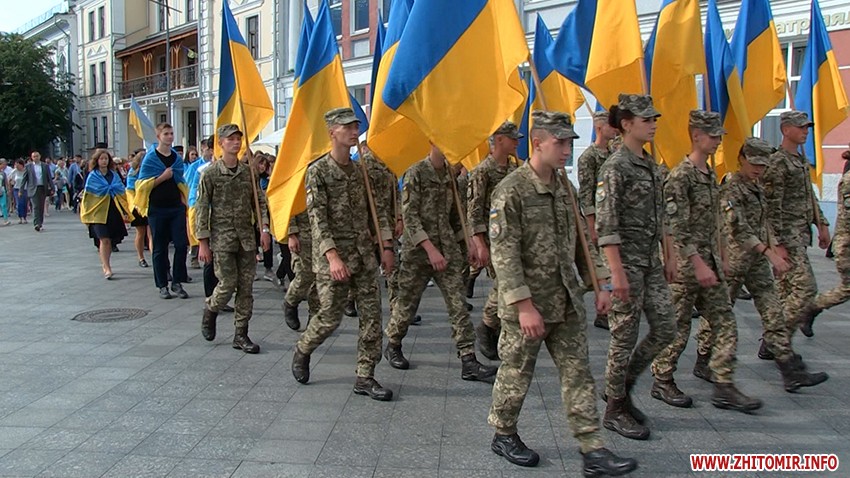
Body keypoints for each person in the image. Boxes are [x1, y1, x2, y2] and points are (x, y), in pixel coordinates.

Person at [488, 110, 637, 476]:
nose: (568, 150)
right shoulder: (511, 190)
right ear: (538, 143)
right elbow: (504, 254)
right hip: (528, 304)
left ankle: (592, 448)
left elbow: (581, 242)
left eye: (570, 143)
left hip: (566, 299)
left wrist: (599, 283)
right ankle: (503, 432)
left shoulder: (564, 187)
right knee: (516, 373)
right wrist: (524, 306)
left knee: (578, 374)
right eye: (561, 143)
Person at [649, 110, 761, 413]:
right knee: (678, 327)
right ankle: (662, 379)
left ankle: (724, 383)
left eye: (719, 136)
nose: (717, 141)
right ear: (696, 136)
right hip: (687, 267)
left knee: (725, 322)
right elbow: (676, 226)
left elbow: (716, 221)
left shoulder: (709, 174)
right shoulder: (680, 176)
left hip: (710, 264)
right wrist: (697, 263)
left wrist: (722, 255)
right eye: (712, 136)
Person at [290, 107, 395, 401]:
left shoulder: (363, 171)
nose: (353, 131)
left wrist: (387, 247)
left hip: (364, 255)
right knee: (329, 317)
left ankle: (365, 376)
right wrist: (332, 256)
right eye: (347, 127)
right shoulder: (318, 172)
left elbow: (378, 213)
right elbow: (317, 219)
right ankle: (303, 348)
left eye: (355, 126)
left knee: (372, 317)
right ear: (331, 132)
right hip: (333, 259)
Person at [594, 94, 676, 440]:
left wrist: (669, 255)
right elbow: (606, 225)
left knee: (667, 328)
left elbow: (662, 216)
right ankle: (615, 408)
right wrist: (616, 273)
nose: (653, 125)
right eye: (646, 120)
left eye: (654, 119)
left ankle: (622, 384)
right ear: (626, 124)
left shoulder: (650, 165)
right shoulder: (615, 167)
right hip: (625, 264)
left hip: (650, 262)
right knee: (623, 337)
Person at [720, 137, 829, 392]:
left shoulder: (757, 187)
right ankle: (704, 361)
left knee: (773, 314)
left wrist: (772, 246)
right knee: (720, 317)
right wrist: (771, 253)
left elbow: (765, 221)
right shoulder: (731, 190)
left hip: (757, 264)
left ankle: (790, 370)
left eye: (763, 164)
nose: (758, 169)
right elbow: (740, 229)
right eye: (754, 163)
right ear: (741, 159)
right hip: (734, 262)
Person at [383, 144, 496, 381]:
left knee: (458, 304)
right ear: (432, 142)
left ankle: (468, 359)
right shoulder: (416, 173)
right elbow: (411, 218)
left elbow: (455, 217)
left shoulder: (450, 175)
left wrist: (468, 244)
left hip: (447, 250)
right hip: (418, 253)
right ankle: (393, 343)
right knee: (407, 305)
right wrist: (430, 249)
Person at [196, 124, 270, 354]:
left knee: (246, 288)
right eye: (230, 139)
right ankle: (211, 309)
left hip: (246, 238)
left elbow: (259, 202)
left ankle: (241, 334)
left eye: (238, 139)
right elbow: (202, 207)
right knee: (227, 283)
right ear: (221, 143)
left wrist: (264, 229)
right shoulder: (210, 174)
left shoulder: (249, 173)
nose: (236, 143)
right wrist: (202, 242)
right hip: (222, 239)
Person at [770, 111, 832, 337]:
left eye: (807, 127)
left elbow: (809, 197)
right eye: (801, 127)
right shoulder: (777, 163)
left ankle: (774, 345)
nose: (806, 131)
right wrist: (776, 244)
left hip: (800, 234)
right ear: (786, 130)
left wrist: (821, 224)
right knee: (806, 288)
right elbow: (771, 206)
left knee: (786, 293)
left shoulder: (800, 160)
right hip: (788, 238)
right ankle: (776, 339)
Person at [468, 121, 522, 361]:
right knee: (504, 282)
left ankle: (492, 325)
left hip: (514, 236)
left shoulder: (515, 169)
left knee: (506, 284)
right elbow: (474, 209)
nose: (517, 142)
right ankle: (488, 324)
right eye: (512, 138)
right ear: (499, 139)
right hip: (493, 237)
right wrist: (478, 243)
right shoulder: (483, 171)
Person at [133, 123, 191, 300]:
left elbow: (180, 181)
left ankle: (177, 282)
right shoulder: (150, 158)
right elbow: (141, 185)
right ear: (158, 136)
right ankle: (162, 285)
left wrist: (185, 201)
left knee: (181, 244)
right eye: (166, 134)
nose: (170, 137)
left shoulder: (176, 158)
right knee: (159, 247)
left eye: (171, 133)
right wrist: (162, 178)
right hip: (157, 208)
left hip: (175, 207)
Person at [578, 110, 618, 330]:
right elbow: (586, 193)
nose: (615, 129)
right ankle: (603, 312)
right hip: (599, 220)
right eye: (610, 125)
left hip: (613, 218)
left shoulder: (613, 154)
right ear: (599, 128)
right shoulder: (588, 157)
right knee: (604, 268)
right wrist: (591, 225)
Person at [80, 149, 130, 279]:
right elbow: (89, 196)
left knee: (109, 241)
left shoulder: (114, 175)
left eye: (106, 159)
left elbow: (121, 190)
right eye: (101, 159)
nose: (104, 161)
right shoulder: (93, 176)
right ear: (97, 161)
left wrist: (125, 210)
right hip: (97, 212)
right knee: (104, 239)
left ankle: (107, 262)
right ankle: (106, 267)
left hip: (112, 210)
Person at [126, 150, 152, 268]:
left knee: (152, 233)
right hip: (138, 205)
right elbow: (130, 190)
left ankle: (154, 257)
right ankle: (141, 257)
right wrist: (134, 205)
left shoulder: (151, 170)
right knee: (140, 232)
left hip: (150, 204)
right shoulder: (133, 172)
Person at [21, 151, 54, 231]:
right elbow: (24, 179)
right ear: (32, 158)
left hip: (42, 188)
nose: (36, 158)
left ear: (40, 156)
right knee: (35, 206)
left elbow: (49, 178)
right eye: (34, 156)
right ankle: (36, 224)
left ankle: (40, 223)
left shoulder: (45, 166)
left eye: (37, 156)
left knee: (41, 206)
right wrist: (21, 190)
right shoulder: (28, 166)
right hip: (33, 188)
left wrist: (52, 188)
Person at [11, 160, 28, 224]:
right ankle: (20, 217)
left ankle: (24, 217)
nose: (17, 166)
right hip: (17, 189)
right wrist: (12, 182)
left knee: (24, 203)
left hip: (25, 189)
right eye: (16, 165)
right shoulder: (14, 171)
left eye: (18, 165)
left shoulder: (26, 171)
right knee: (19, 203)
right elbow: (10, 179)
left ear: (22, 165)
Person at [0, 159, 10, 226]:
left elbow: (6, 182)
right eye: (2, 164)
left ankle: (6, 219)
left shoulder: (3, 173)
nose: (3, 166)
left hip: (2, 190)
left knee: (3, 205)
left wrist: (8, 190)